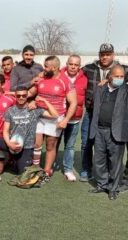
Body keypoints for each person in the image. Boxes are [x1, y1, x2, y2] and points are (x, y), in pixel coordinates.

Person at [0, 87, 58, 185]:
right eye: (18, 96)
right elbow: (5, 131)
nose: (21, 97)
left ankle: (13, 161)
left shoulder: (34, 110)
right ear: (15, 96)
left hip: (26, 147)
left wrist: (44, 101)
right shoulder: (10, 111)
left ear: (27, 96)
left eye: (23, 95)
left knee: (22, 173)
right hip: (11, 142)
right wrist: (9, 144)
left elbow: (55, 115)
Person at [80, 43, 128, 182]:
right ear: (99, 55)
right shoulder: (89, 68)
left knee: (113, 145)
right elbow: (72, 72)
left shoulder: (123, 69)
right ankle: (86, 170)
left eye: (108, 54)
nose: (105, 57)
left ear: (113, 55)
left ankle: (112, 174)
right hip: (91, 112)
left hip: (115, 115)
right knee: (86, 142)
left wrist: (109, 79)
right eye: (102, 54)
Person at [29, 56, 77, 180]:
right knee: (37, 143)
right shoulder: (42, 78)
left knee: (50, 145)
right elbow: (31, 92)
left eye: (46, 66)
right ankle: (35, 168)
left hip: (55, 118)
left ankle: (46, 171)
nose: (43, 69)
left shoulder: (65, 81)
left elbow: (74, 102)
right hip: (40, 114)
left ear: (54, 68)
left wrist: (65, 120)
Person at [88, 65, 128, 200]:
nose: (119, 78)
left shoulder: (125, 90)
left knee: (115, 162)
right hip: (99, 129)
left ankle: (114, 188)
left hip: (116, 131)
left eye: (122, 76)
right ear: (109, 76)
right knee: (99, 159)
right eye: (117, 76)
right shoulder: (100, 89)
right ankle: (102, 184)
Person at [55, 55, 87, 181]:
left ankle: (68, 169)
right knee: (54, 143)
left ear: (79, 66)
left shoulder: (85, 78)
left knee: (70, 145)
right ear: (67, 64)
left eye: (76, 65)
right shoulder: (58, 76)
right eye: (71, 64)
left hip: (74, 118)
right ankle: (51, 165)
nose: (73, 67)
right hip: (59, 116)